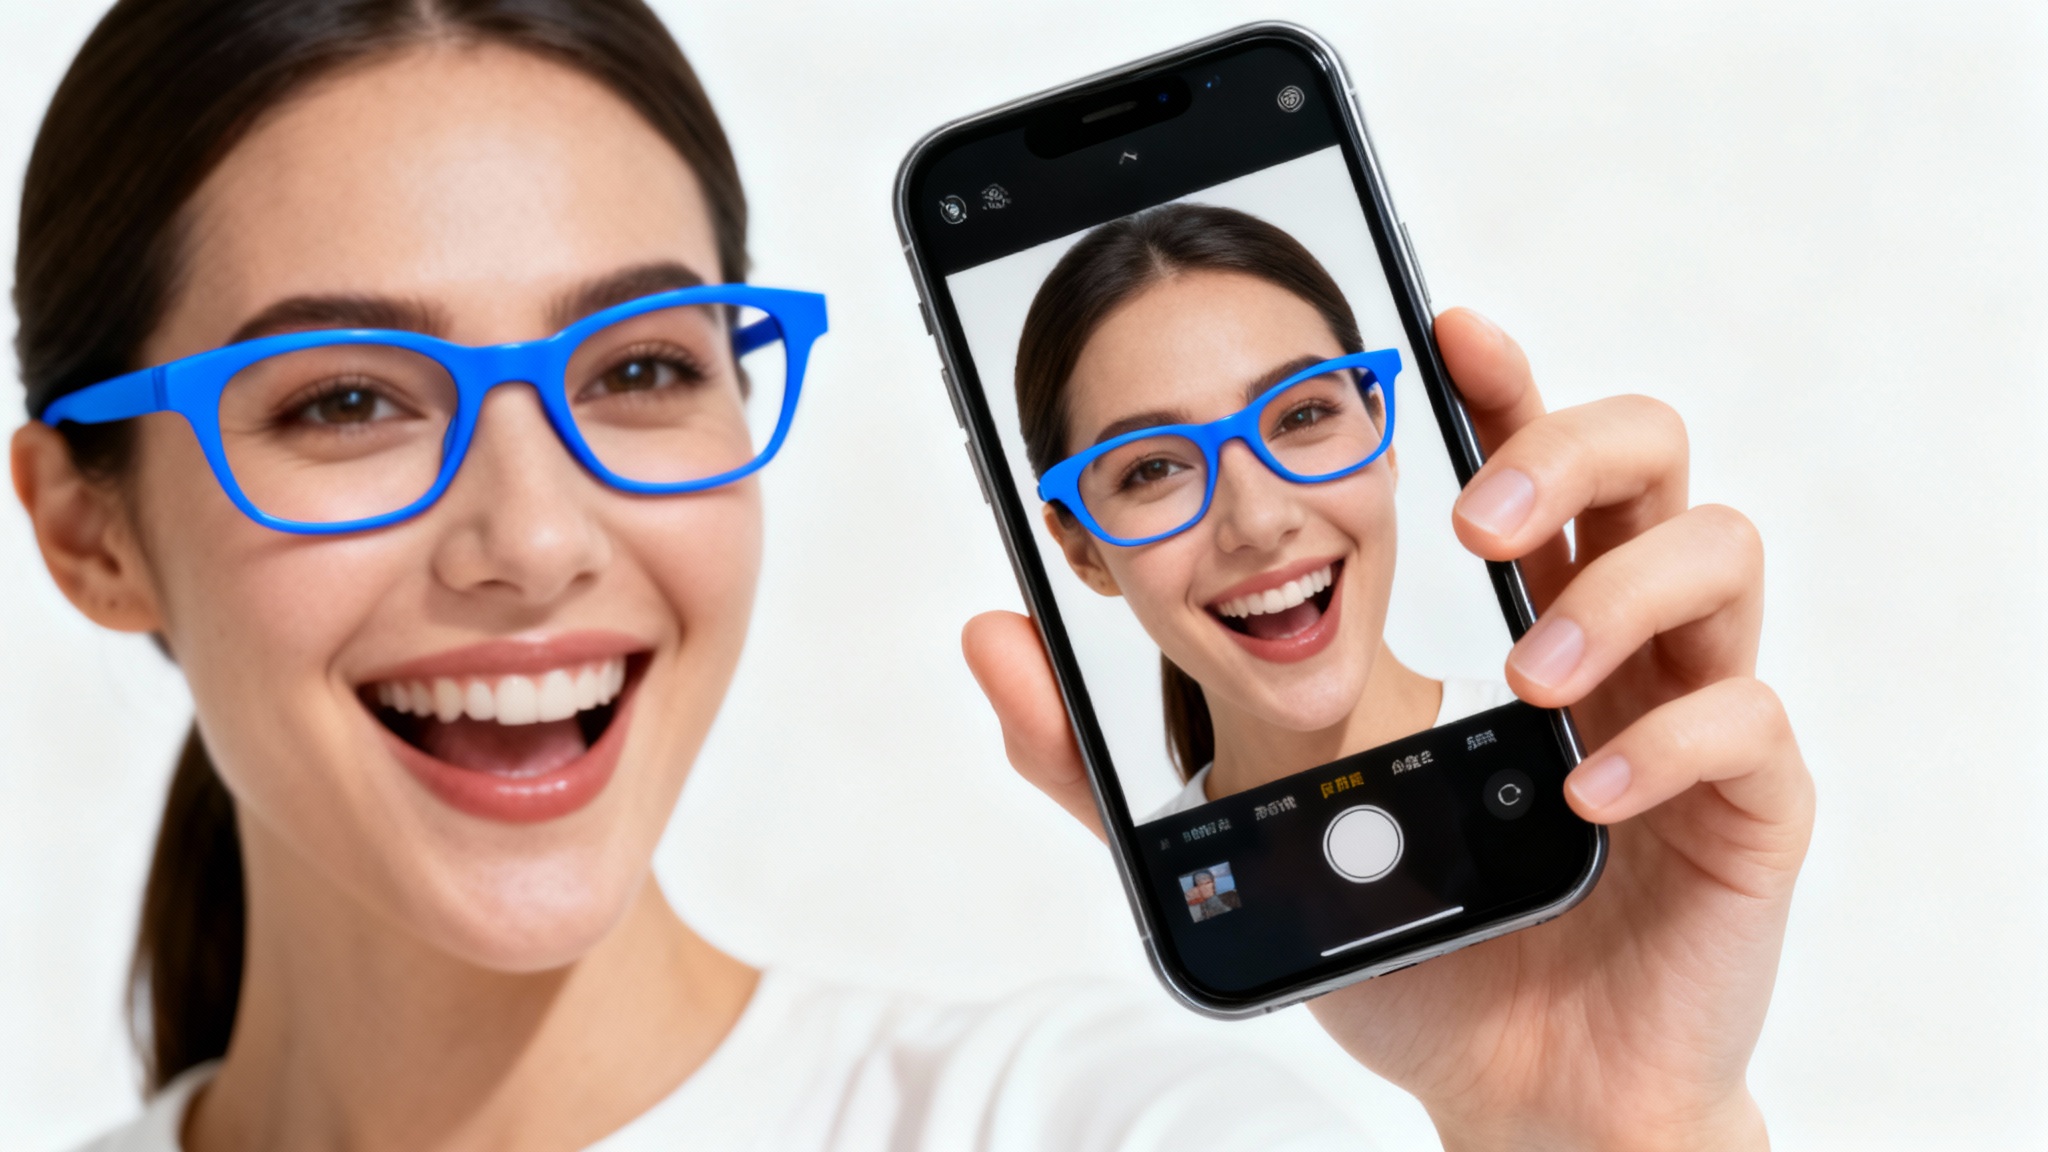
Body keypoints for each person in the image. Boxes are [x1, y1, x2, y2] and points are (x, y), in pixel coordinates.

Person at [10, 1, 1812, 1149]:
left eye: (635, 367)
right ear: (87, 526)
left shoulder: (1085, 1132)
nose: (535, 539)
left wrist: (1606, 1128)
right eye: (344, 401)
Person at [1014, 203, 1515, 820]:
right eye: (1153, 469)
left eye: (1302, 415)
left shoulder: (1598, 767)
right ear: (1084, 553)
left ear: (1380, 426)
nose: (1258, 520)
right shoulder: (1168, 893)